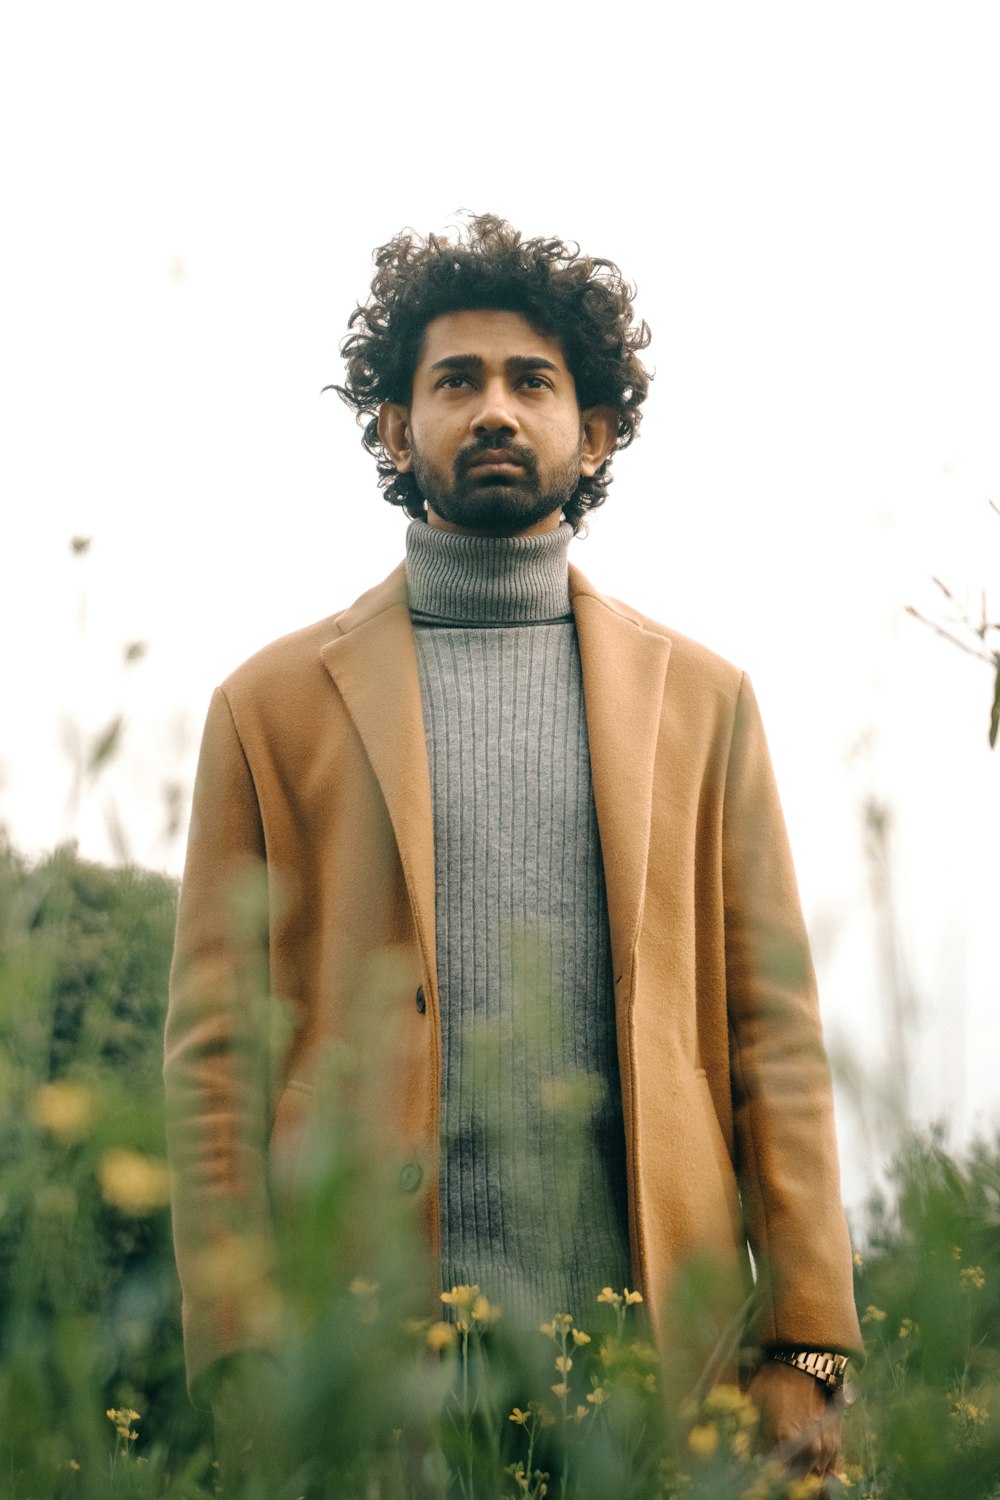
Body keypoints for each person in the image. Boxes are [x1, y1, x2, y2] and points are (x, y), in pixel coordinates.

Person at [164, 214, 862, 1483]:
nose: (495, 409)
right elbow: (215, 1061)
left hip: (657, 1367)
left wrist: (808, 1345)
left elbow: (775, 1035)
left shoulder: (704, 699)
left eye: (531, 382)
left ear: (592, 432)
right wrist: (237, 1352)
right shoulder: (264, 706)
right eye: (456, 381)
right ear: (394, 428)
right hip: (366, 1373)